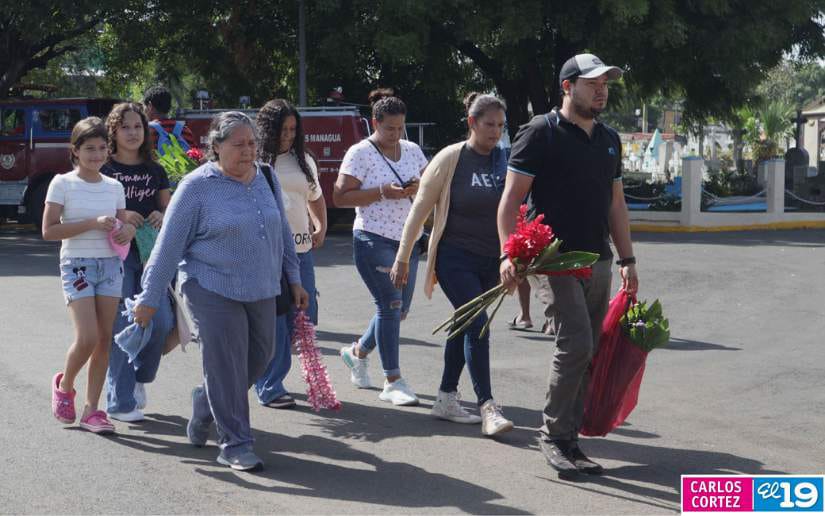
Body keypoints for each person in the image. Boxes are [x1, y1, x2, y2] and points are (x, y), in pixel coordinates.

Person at [132, 111, 308, 471]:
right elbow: (168, 247)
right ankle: (235, 444)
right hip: (209, 286)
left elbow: (282, 234)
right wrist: (149, 298)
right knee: (226, 366)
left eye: (252, 143)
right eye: (239, 144)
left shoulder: (267, 177)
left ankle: (205, 403)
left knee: (261, 358)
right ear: (216, 147)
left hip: (261, 286)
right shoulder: (196, 187)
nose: (248, 151)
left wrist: (294, 278)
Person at [498, 53, 639, 479]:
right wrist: (507, 253)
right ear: (567, 86)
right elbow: (511, 199)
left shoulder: (609, 139)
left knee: (588, 351)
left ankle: (570, 440)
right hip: (553, 258)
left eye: (605, 84)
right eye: (592, 83)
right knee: (575, 343)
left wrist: (628, 259)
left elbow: (616, 205)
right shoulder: (540, 132)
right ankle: (553, 435)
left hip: (598, 258)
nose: (601, 90)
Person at [391, 92, 514, 435]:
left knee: (463, 324)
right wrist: (403, 257)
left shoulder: (504, 159)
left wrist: (514, 256)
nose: (495, 132)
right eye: (489, 125)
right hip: (454, 257)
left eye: (501, 126)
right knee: (477, 324)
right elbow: (419, 210)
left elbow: (515, 209)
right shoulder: (450, 158)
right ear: (472, 123)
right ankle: (488, 406)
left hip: (490, 260)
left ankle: (445, 397)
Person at [333, 88, 428, 406]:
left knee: (398, 311)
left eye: (400, 127)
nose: (396, 134)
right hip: (373, 238)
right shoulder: (360, 152)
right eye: (389, 128)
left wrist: (418, 188)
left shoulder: (412, 150)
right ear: (375, 123)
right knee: (390, 304)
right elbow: (340, 197)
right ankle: (393, 380)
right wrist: (382, 191)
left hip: (408, 241)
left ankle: (357, 353)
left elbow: (429, 186)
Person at [44, 116, 135, 435]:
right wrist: (92, 224)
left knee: (104, 339)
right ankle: (65, 385)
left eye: (101, 148)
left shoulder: (114, 187)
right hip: (77, 265)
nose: (97, 155)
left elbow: (122, 226)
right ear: (75, 150)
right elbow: (49, 231)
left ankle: (92, 410)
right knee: (88, 337)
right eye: (89, 149)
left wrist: (127, 230)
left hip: (110, 265)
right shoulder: (62, 183)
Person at [101, 102, 175, 422]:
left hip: (151, 258)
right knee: (123, 324)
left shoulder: (155, 170)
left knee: (162, 322)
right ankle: (120, 401)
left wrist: (161, 214)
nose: (133, 133)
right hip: (115, 256)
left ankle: (138, 376)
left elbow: (171, 210)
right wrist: (122, 216)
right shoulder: (105, 169)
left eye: (138, 127)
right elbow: (93, 211)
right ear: (113, 132)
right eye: (125, 127)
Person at [254, 99, 327, 409]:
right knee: (278, 320)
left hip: (301, 251)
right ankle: (270, 385)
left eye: (293, 129)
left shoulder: (304, 160)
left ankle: (267, 377)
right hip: (268, 254)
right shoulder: (256, 161)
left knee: (305, 316)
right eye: (282, 130)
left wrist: (321, 225)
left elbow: (315, 196)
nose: (287, 135)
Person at [142, 85, 197, 154]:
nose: (143, 111)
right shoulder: (185, 131)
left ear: (150, 106)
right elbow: (195, 156)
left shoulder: (147, 131)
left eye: (144, 107)